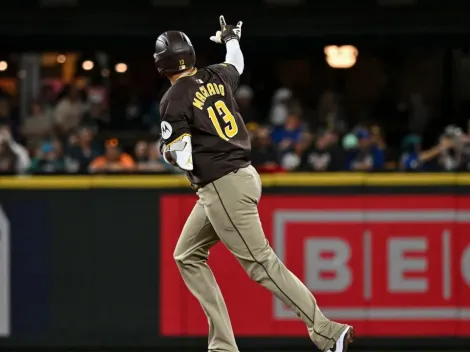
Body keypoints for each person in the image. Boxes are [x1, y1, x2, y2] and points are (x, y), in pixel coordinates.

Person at [155, 15, 354, 352]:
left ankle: (327, 331)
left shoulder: (175, 98)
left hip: (221, 184)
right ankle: (222, 346)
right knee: (186, 254)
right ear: (190, 55)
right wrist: (232, 38)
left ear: (162, 65)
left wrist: (164, 151)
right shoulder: (215, 75)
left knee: (262, 264)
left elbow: (182, 157)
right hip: (241, 176)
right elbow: (236, 63)